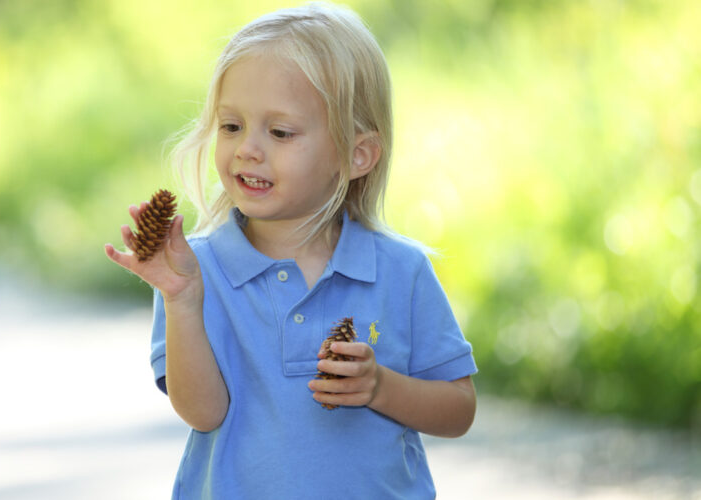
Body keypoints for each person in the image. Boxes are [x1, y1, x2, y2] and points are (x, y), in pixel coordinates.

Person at [105, 3, 476, 498]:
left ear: (356, 154)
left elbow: (459, 410)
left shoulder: (401, 270)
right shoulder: (194, 272)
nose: (247, 149)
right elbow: (202, 413)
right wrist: (182, 301)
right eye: (231, 126)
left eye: (279, 132)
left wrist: (380, 387)